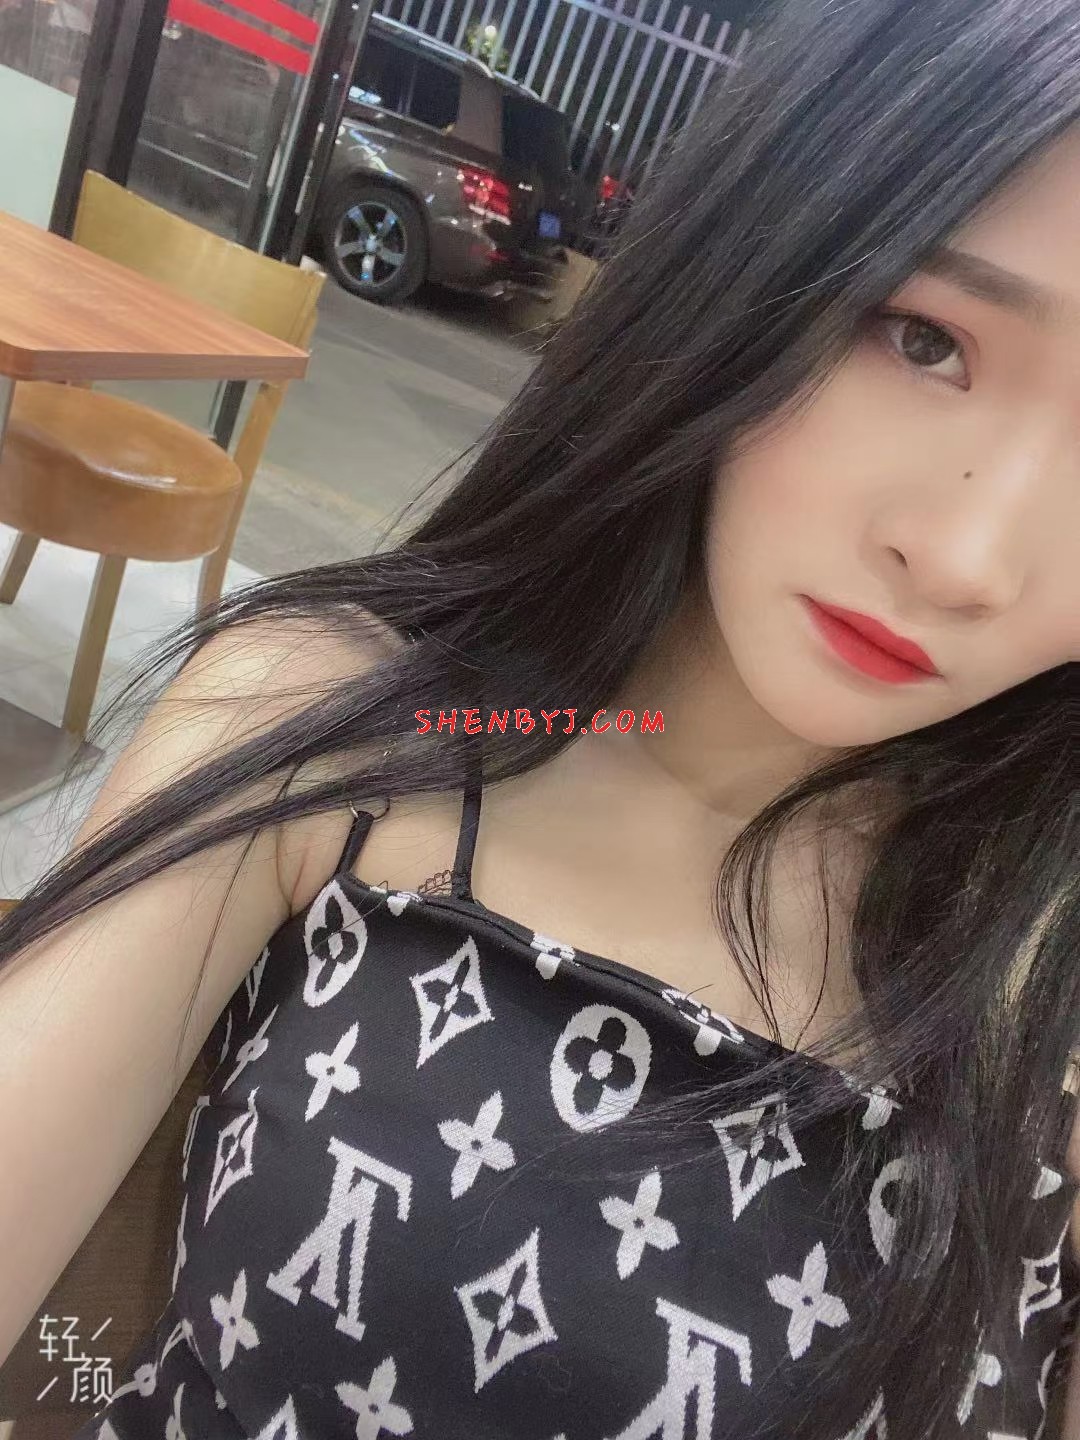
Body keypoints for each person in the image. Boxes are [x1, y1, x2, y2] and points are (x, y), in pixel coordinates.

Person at [1, 0, 1078, 1434]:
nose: (967, 559)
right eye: (923, 338)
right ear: (750, 262)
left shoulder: (1046, 998)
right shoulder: (338, 733)